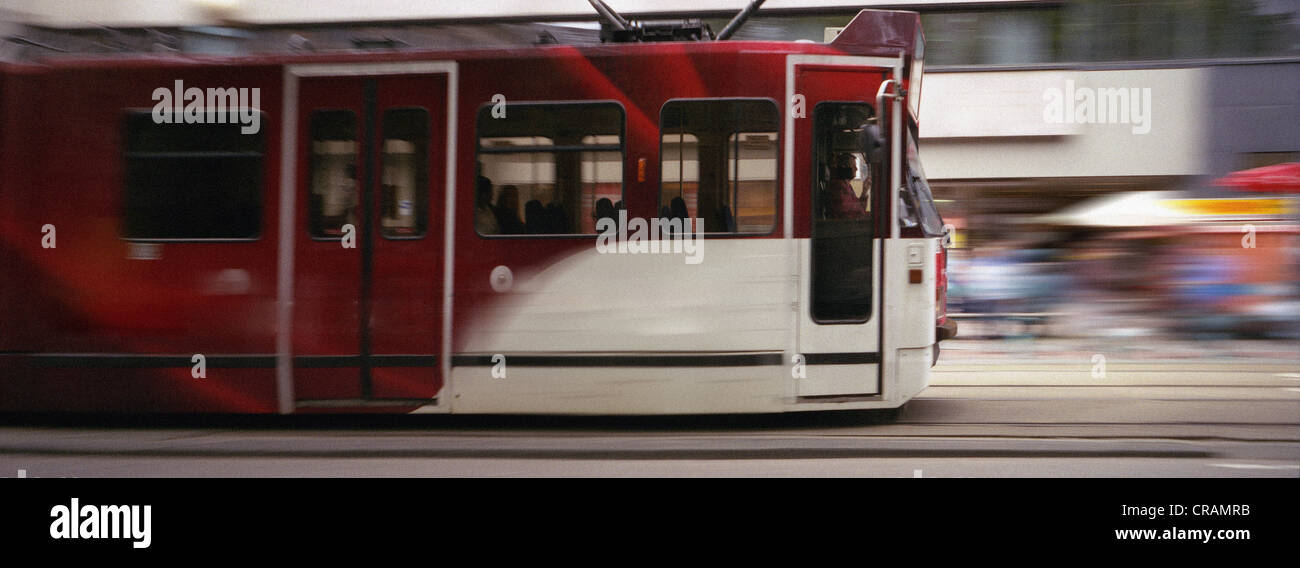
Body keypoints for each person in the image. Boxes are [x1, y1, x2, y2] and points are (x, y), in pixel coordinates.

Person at [826, 153, 869, 219]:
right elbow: (850, 213)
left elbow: (859, 209)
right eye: (853, 166)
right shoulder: (838, 186)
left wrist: (864, 190)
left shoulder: (846, 184)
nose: (856, 169)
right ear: (844, 167)